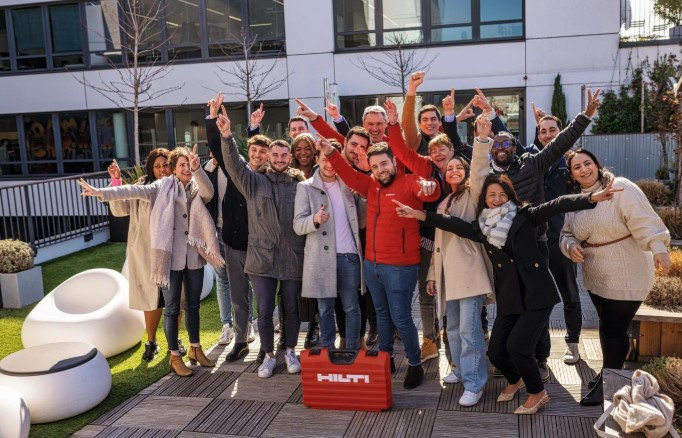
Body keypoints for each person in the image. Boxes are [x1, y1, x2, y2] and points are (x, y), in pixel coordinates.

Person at [395, 172, 620, 413]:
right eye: (492, 195)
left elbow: (559, 203)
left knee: (518, 347)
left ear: (510, 196)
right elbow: (454, 224)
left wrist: (591, 198)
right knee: (496, 351)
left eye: (502, 194)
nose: (497, 199)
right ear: (485, 200)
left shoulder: (526, 215)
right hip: (510, 296)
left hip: (536, 294)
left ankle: (538, 392)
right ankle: (516, 379)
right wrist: (420, 215)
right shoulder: (482, 227)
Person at [488, 88, 601, 381]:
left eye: (507, 144)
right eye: (496, 145)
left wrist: (585, 115)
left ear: (516, 147)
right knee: (514, 303)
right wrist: (488, 114)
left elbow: (562, 142)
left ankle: (540, 360)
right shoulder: (490, 175)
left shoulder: (533, 162)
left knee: (539, 303)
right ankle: (513, 356)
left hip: (537, 243)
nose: (502, 148)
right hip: (507, 248)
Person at [79, 146, 222, 377]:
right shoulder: (160, 186)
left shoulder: (196, 185)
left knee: (193, 305)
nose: (185, 168)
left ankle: (195, 349)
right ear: (174, 170)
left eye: (188, 164)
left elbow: (209, 193)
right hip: (169, 259)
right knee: (172, 308)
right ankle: (175, 356)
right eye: (181, 165)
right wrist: (100, 192)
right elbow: (132, 191)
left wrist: (197, 169)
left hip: (193, 257)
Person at [320, 137, 441, 390]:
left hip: (400, 266)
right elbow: (348, 173)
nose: (380, 170)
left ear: (394, 162)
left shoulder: (409, 182)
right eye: (375, 166)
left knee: (401, 318)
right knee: (382, 315)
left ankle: (415, 363)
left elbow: (428, 188)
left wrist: (430, 186)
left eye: (384, 164)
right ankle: (385, 357)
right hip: (373, 265)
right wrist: (331, 152)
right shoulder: (370, 185)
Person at [393, 116, 494, 406]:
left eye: (457, 167)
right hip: (449, 276)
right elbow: (437, 246)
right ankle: (461, 371)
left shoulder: (474, 195)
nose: (453, 170)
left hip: (470, 275)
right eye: (449, 169)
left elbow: (479, 170)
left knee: (470, 330)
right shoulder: (444, 203)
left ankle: (475, 383)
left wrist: (482, 140)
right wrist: (433, 276)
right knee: (451, 328)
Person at [560, 148, 672, 406]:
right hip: (596, 275)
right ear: (572, 174)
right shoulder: (576, 201)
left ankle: (611, 385)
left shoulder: (619, 187)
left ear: (597, 164)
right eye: (577, 167)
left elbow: (644, 218)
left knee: (613, 329)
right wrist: (570, 246)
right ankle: (608, 374)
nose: (584, 169)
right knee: (606, 326)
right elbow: (566, 234)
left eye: (587, 163)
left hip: (626, 270)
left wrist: (658, 247)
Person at [215, 106, 305, 379]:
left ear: (290, 157)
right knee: (264, 310)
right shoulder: (254, 182)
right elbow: (233, 164)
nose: (278, 158)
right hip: (261, 259)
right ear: (268, 157)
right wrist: (227, 135)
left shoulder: (299, 183)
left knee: (291, 308)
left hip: (292, 257)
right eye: (274, 154)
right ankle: (267, 355)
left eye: (283, 154)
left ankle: (290, 350)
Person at [293, 140, 365, 350]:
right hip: (321, 258)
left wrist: (362, 198)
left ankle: (352, 350)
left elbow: (361, 221)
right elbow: (298, 225)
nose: (329, 164)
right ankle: (328, 351)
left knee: (351, 307)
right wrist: (314, 219)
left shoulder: (349, 185)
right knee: (325, 309)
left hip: (349, 256)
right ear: (317, 159)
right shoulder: (305, 187)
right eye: (324, 159)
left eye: (333, 160)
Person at [205, 94, 259, 362]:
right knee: (235, 291)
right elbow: (218, 146)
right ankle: (240, 337)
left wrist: (254, 128)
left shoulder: (267, 174)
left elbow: (258, 147)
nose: (257, 155)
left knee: (263, 293)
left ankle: (270, 344)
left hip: (262, 243)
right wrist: (213, 119)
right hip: (232, 240)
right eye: (253, 151)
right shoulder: (234, 170)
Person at [107, 149, 174, 362]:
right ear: (151, 168)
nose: (162, 170)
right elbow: (119, 210)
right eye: (158, 166)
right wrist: (116, 181)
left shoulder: (177, 185)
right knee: (151, 300)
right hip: (146, 251)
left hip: (172, 251)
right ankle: (151, 341)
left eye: (165, 165)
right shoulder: (140, 186)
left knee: (175, 301)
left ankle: (174, 341)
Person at [530, 105, 584, 365]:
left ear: (561, 132)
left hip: (563, 239)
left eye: (553, 130)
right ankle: (541, 353)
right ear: (538, 136)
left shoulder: (572, 162)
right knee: (541, 299)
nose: (548, 135)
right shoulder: (533, 161)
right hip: (538, 242)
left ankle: (573, 343)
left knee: (570, 295)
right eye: (543, 131)